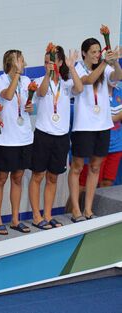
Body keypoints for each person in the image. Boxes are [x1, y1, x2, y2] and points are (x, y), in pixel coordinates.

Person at [68, 40, 122, 222]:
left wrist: (115, 62)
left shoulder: (105, 68)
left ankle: (88, 209)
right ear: (84, 53)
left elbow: (117, 76)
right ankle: (76, 209)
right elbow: (89, 81)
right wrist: (106, 62)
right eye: (93, 51)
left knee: (95, 167)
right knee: (76, 168)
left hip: (103, 126)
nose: (97, 54)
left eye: (99, 51)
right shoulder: (78, 69)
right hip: (84, 127)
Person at [29, 46, 82, 229]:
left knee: (53, 178)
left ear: (60, 62)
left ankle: (48, 214)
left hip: (61, 137)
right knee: (38, 176)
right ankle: (36, 216)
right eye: (45, 62)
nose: (47, 65)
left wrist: (72, 67)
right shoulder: (38, 80)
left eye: (51, 62)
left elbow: (80, 88)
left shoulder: (67, 83)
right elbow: (41, 92)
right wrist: (48, 74)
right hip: (43, 134)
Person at [0, 49, 34, 234]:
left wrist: (30, 107)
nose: (23, 63)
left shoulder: (26, 81)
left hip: (24, 137)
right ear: (11, 62)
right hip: (6, 139)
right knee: (1, 178)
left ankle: (15, 219)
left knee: (17, 178)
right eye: (20, 60)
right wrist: (16, 73)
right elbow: (8, 95)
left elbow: (27, 106)